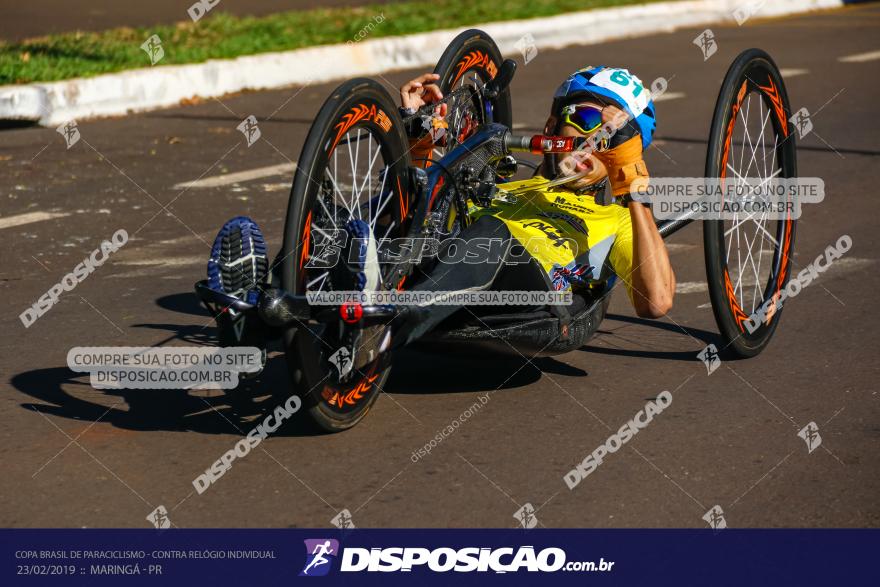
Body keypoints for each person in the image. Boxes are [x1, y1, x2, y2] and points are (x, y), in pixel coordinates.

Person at [390, 66, 675, 347]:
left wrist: (630, 177)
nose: (593, 141)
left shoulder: (619, 219)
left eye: (612, 138)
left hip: (530, 294)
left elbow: (656, 302)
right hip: (447, 259)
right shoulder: (501, 187)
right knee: (358, 223)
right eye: (586, 119)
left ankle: (399, 318)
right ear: (551, 126)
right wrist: (419, 143)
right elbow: (417, 219)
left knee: (492, 233)